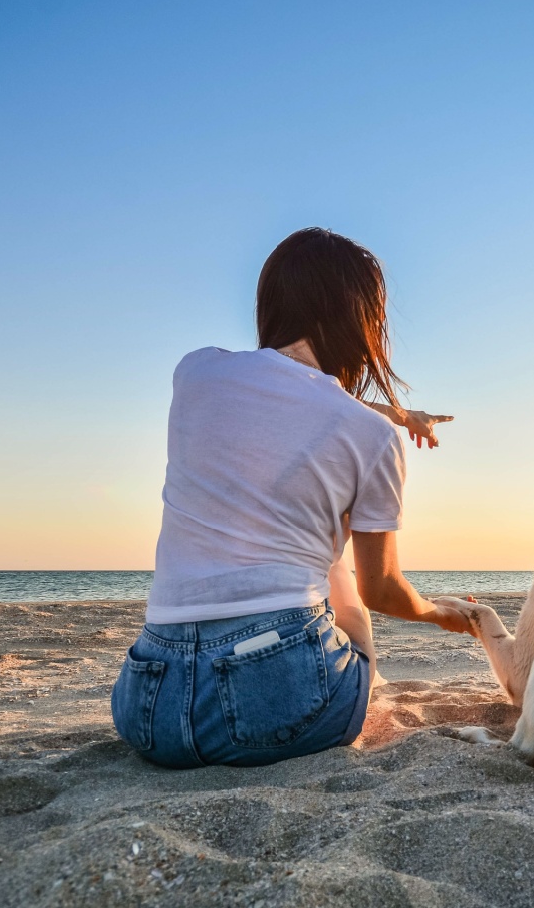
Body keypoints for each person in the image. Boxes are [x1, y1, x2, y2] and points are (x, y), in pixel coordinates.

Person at [110, 228, 471, 768]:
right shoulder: (372, 437)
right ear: (361, 318)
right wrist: (433, 612)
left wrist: (395, 413)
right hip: (275, 700)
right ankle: (362, 685)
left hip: (148, 705)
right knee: (336, 558)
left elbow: (290, 398)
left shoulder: (195, 373)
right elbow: (382, 591)